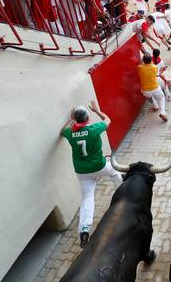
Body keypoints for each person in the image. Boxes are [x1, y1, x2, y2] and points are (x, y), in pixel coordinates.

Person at [60, 101, 122, 247]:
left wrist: (71, 119)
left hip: (82, 172)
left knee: (87, 199)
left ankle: (84, 230)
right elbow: (108, 120)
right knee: (114, 171)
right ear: (88, 118)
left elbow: (62, 131)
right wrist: (97, 110)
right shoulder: (95, 128)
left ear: (76, 119)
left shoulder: (70, 132)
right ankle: (122, 191)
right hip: (99, 167)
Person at [137, 54, 168, 121]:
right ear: (151, 60)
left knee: (149, 96)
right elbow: (157, 75)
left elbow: (140, 64)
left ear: (143, 61)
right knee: (161, 98)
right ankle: (163, 112)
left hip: (145, 90)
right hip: (155, 88)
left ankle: (155, 106)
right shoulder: (154, 67)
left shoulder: (140, 67)